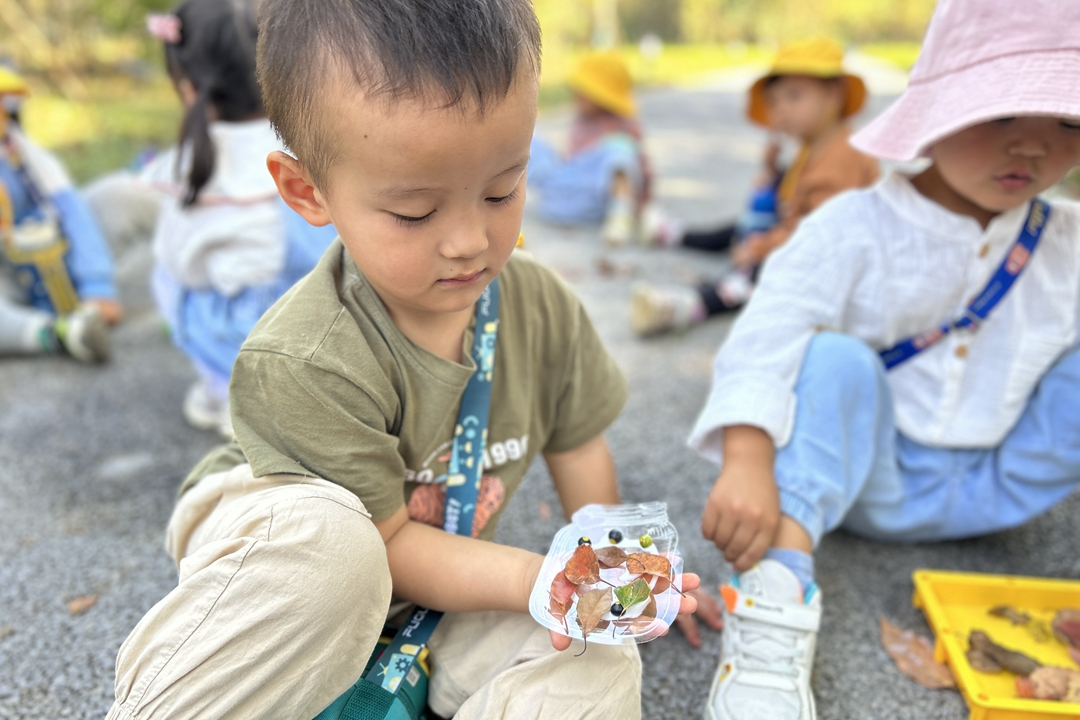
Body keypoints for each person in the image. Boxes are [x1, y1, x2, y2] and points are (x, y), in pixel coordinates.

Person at [107, 2, 700, 719]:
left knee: (593, 658)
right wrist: (535, 577)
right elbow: (383, 546)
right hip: (298, 562)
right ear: (307, 190)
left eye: (501, 189)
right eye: (416, 212)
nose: (468, 241)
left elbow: (579, 453)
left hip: (429, 588)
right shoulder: (305, 356)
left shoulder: (541, 309)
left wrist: (617, 577)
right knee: (339, 550)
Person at [687, 1, 1080, 718]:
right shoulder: (855, 224)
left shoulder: (1069, 240)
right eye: (1000, 116)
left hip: (1004, 484)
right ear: (935, 110)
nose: (1032, 147)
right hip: (870, 480)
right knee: (833, 359)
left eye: (1068, 122)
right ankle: (779, 587)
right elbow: (767, 330)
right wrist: (747, 456)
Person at [141, 0, 337, 437]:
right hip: (330, 319)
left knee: (166, 276)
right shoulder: (311, 138)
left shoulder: (192, 167)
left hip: (246, 340)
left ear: (189, 87)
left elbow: (181, 265)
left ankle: (227, 394)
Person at [631, 38, 879, 337]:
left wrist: (760, 247)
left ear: (834, 95)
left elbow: (817, 231)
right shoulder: (812, 145)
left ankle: (698, 303)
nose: (781, 110)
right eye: (774, 102)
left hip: (832, 261)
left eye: (794, 97)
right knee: (741, 229)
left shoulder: (844, 157)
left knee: (761, 273)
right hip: (799, 238)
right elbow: (788, 201)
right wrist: (772, 171)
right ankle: (676, 236)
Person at [0, 66, 119, 363]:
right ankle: (59, 333)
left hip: (53, 260)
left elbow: (72, 212)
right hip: (7, 283)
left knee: (120, 191)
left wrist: (97, 286)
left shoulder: (23, 154)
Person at [527, 51, 660, 246]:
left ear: (601, 95)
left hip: (601, 196)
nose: (576, 96)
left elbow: (638, 166)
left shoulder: (623, 126)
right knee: (531, 141)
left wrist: (644, 204)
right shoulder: (581, 123)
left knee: (619, 152)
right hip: (573, 189)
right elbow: (572, 159)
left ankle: (620, 212)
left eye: (583, 91)